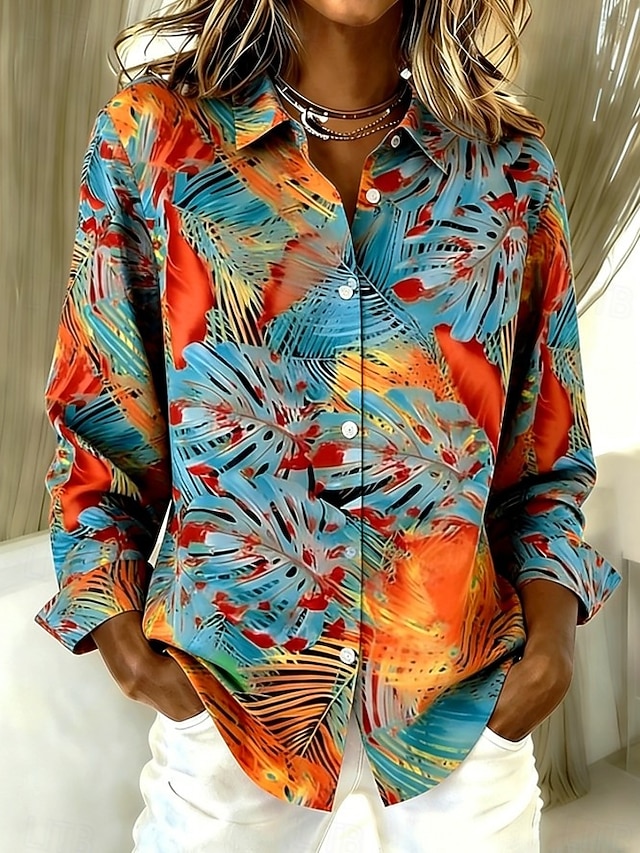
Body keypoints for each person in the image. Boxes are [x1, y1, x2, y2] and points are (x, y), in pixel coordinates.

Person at [36, 1, 622, 850]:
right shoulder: (155, 142)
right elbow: (99, 429)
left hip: (460, 724)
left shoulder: (507, 168)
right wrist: (127, 649)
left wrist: (552, 653)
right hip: (230, 720)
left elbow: (547, 460)